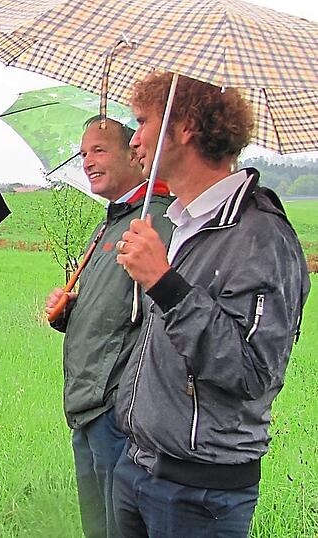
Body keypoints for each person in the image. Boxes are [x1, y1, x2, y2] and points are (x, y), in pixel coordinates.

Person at [112, 72, 310, 536]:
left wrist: (164, 283)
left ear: (185, 126)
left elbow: (253, 370)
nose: (134, 139)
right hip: (137, 466)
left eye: (143, 122)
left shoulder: (261, 237)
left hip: (199, 492)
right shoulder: (182, 223)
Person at [45, 117, 173, 538]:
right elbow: (117, 309)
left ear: (135, 154)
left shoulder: (157, 223)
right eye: (84, 153)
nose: (87, 161)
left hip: (116, 411)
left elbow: (164, 317)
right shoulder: (111, 223)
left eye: (99, 150)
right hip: (87, 404)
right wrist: (70, 310)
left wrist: (122, 401)